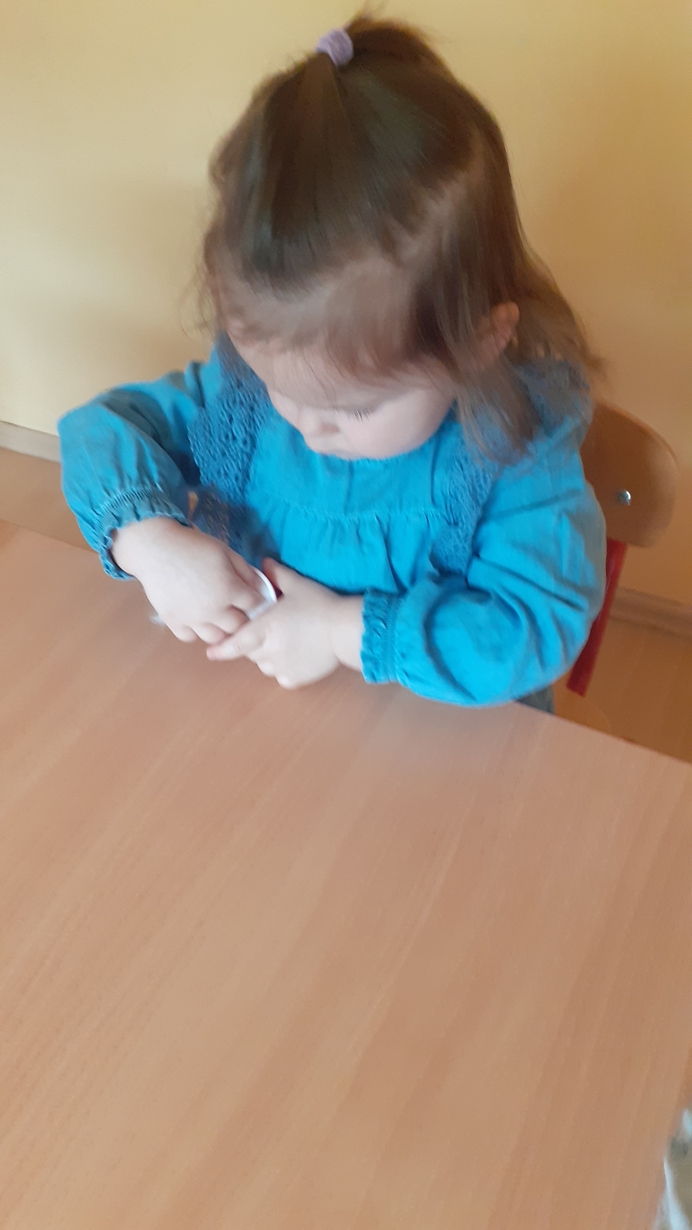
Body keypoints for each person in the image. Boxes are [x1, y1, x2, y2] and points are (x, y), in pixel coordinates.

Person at [59, 15, 606, 709]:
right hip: (269, 715)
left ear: (478, 343)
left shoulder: (514, 445)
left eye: (354, 407)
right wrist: (148, 539)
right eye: (277, 383)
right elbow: (99, 430)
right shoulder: (242, 405)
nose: (308, 426)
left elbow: (532, 629)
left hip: (445, 735)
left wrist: (343, 632)